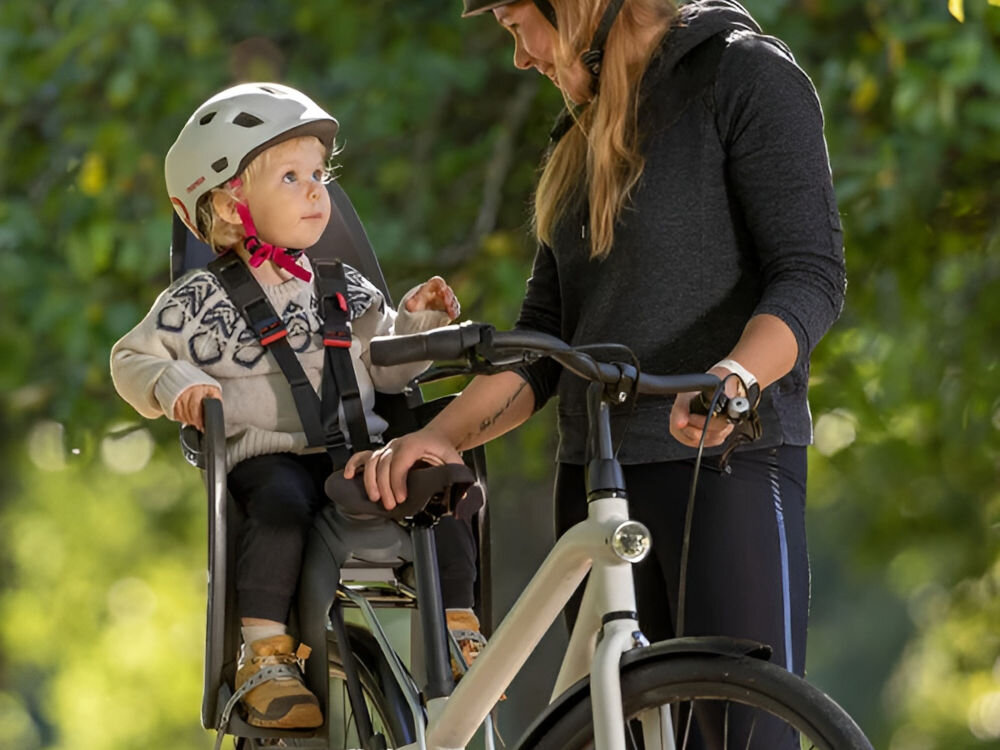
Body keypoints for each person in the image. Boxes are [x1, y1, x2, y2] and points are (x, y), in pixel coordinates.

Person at [346, 1, 845, 746]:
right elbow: (547, 338)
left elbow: (810, 276)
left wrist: (736, 376)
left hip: (729, 462)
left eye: (520, 26)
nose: (519, 57)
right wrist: (443, 435)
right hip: (598, 481)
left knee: (749, 734)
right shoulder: (577, 131)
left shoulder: (745, 75)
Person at [110, 82, 479, 729]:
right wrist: (177, 386)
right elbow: (130, 359)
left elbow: (390, 364)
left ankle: (458, 625)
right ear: (230, 204)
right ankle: (266, 654)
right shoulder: (199, 301)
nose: (318, 191)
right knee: (279, 507)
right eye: (292, 177)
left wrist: (416, 323)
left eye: (319, 174)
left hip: (357, 452)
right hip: (269, 456)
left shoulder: (343, 286)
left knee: (435, 485)